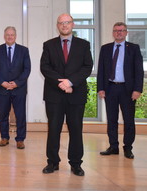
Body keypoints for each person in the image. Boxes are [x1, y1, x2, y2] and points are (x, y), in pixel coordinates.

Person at [40, 13, 93, 176]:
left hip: (76, 95)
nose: (64, 25)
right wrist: (61, 84)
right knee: (53, 129)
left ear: (73, 25)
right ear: (57, 26)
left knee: (76, 129)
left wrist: (70, 82)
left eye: (67, 22)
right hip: (54, 95)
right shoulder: (48, 45)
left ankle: (76, 164)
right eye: (61, 23)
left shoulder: (84, 45)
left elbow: (87, 67)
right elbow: (45, 67)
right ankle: (53, 162)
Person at [97, 22, 144, 159]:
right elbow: (101, 70)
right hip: (110, 88)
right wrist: (101, 88)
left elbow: (139, 71)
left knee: (129, 120)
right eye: (116, 30)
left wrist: (137, 89)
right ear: (113, 32)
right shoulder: (105, 48)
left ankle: (128, 148)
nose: (119, 33)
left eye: (122, 30)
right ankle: (113, 146)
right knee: (112, 119)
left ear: (126, 33)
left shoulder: (133, 48)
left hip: (127, 90)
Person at [0, 26, 31, 149]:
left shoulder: (24, 50)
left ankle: (20, 139)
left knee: (20, 115)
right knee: (3, 114)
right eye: (7, 34)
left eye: (12, 35)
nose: (10, 36)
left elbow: (27, 69)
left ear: (15, 36)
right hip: (2, 88)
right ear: (4, 36)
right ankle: (4, 137)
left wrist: (17, 83)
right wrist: (2, 82)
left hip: (19, 88)